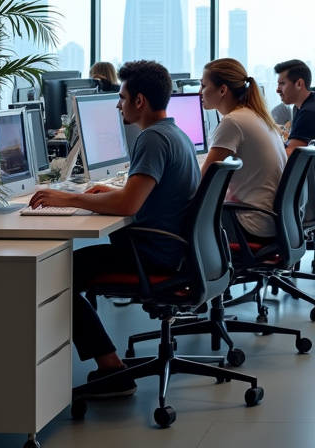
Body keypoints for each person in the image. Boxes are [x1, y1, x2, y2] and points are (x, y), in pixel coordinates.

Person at [29, 60, 200, 395]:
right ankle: (106, 362)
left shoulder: (151, 139)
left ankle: (111, 369)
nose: (118, 104)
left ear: (139, 101)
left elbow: (128, 206)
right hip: (172, 251)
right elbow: (144, 194)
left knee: (54, 276)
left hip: (151, 255)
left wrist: (69, 200)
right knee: (66, 269)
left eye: (122, 97)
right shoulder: (174, 133)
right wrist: (110, 192)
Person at [199, 58, 286, 241]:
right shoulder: (255, 115)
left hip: (252, 224)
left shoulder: (233, 121)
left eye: (203, 85)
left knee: (183, 215)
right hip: (274, 221)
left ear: (222, 90)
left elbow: (203, 180)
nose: (199, 92)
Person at [274, 59, 315, 199]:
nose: (278, 90)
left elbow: (291, 154)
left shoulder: (310, 112)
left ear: (299, 84)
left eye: (282, 84)